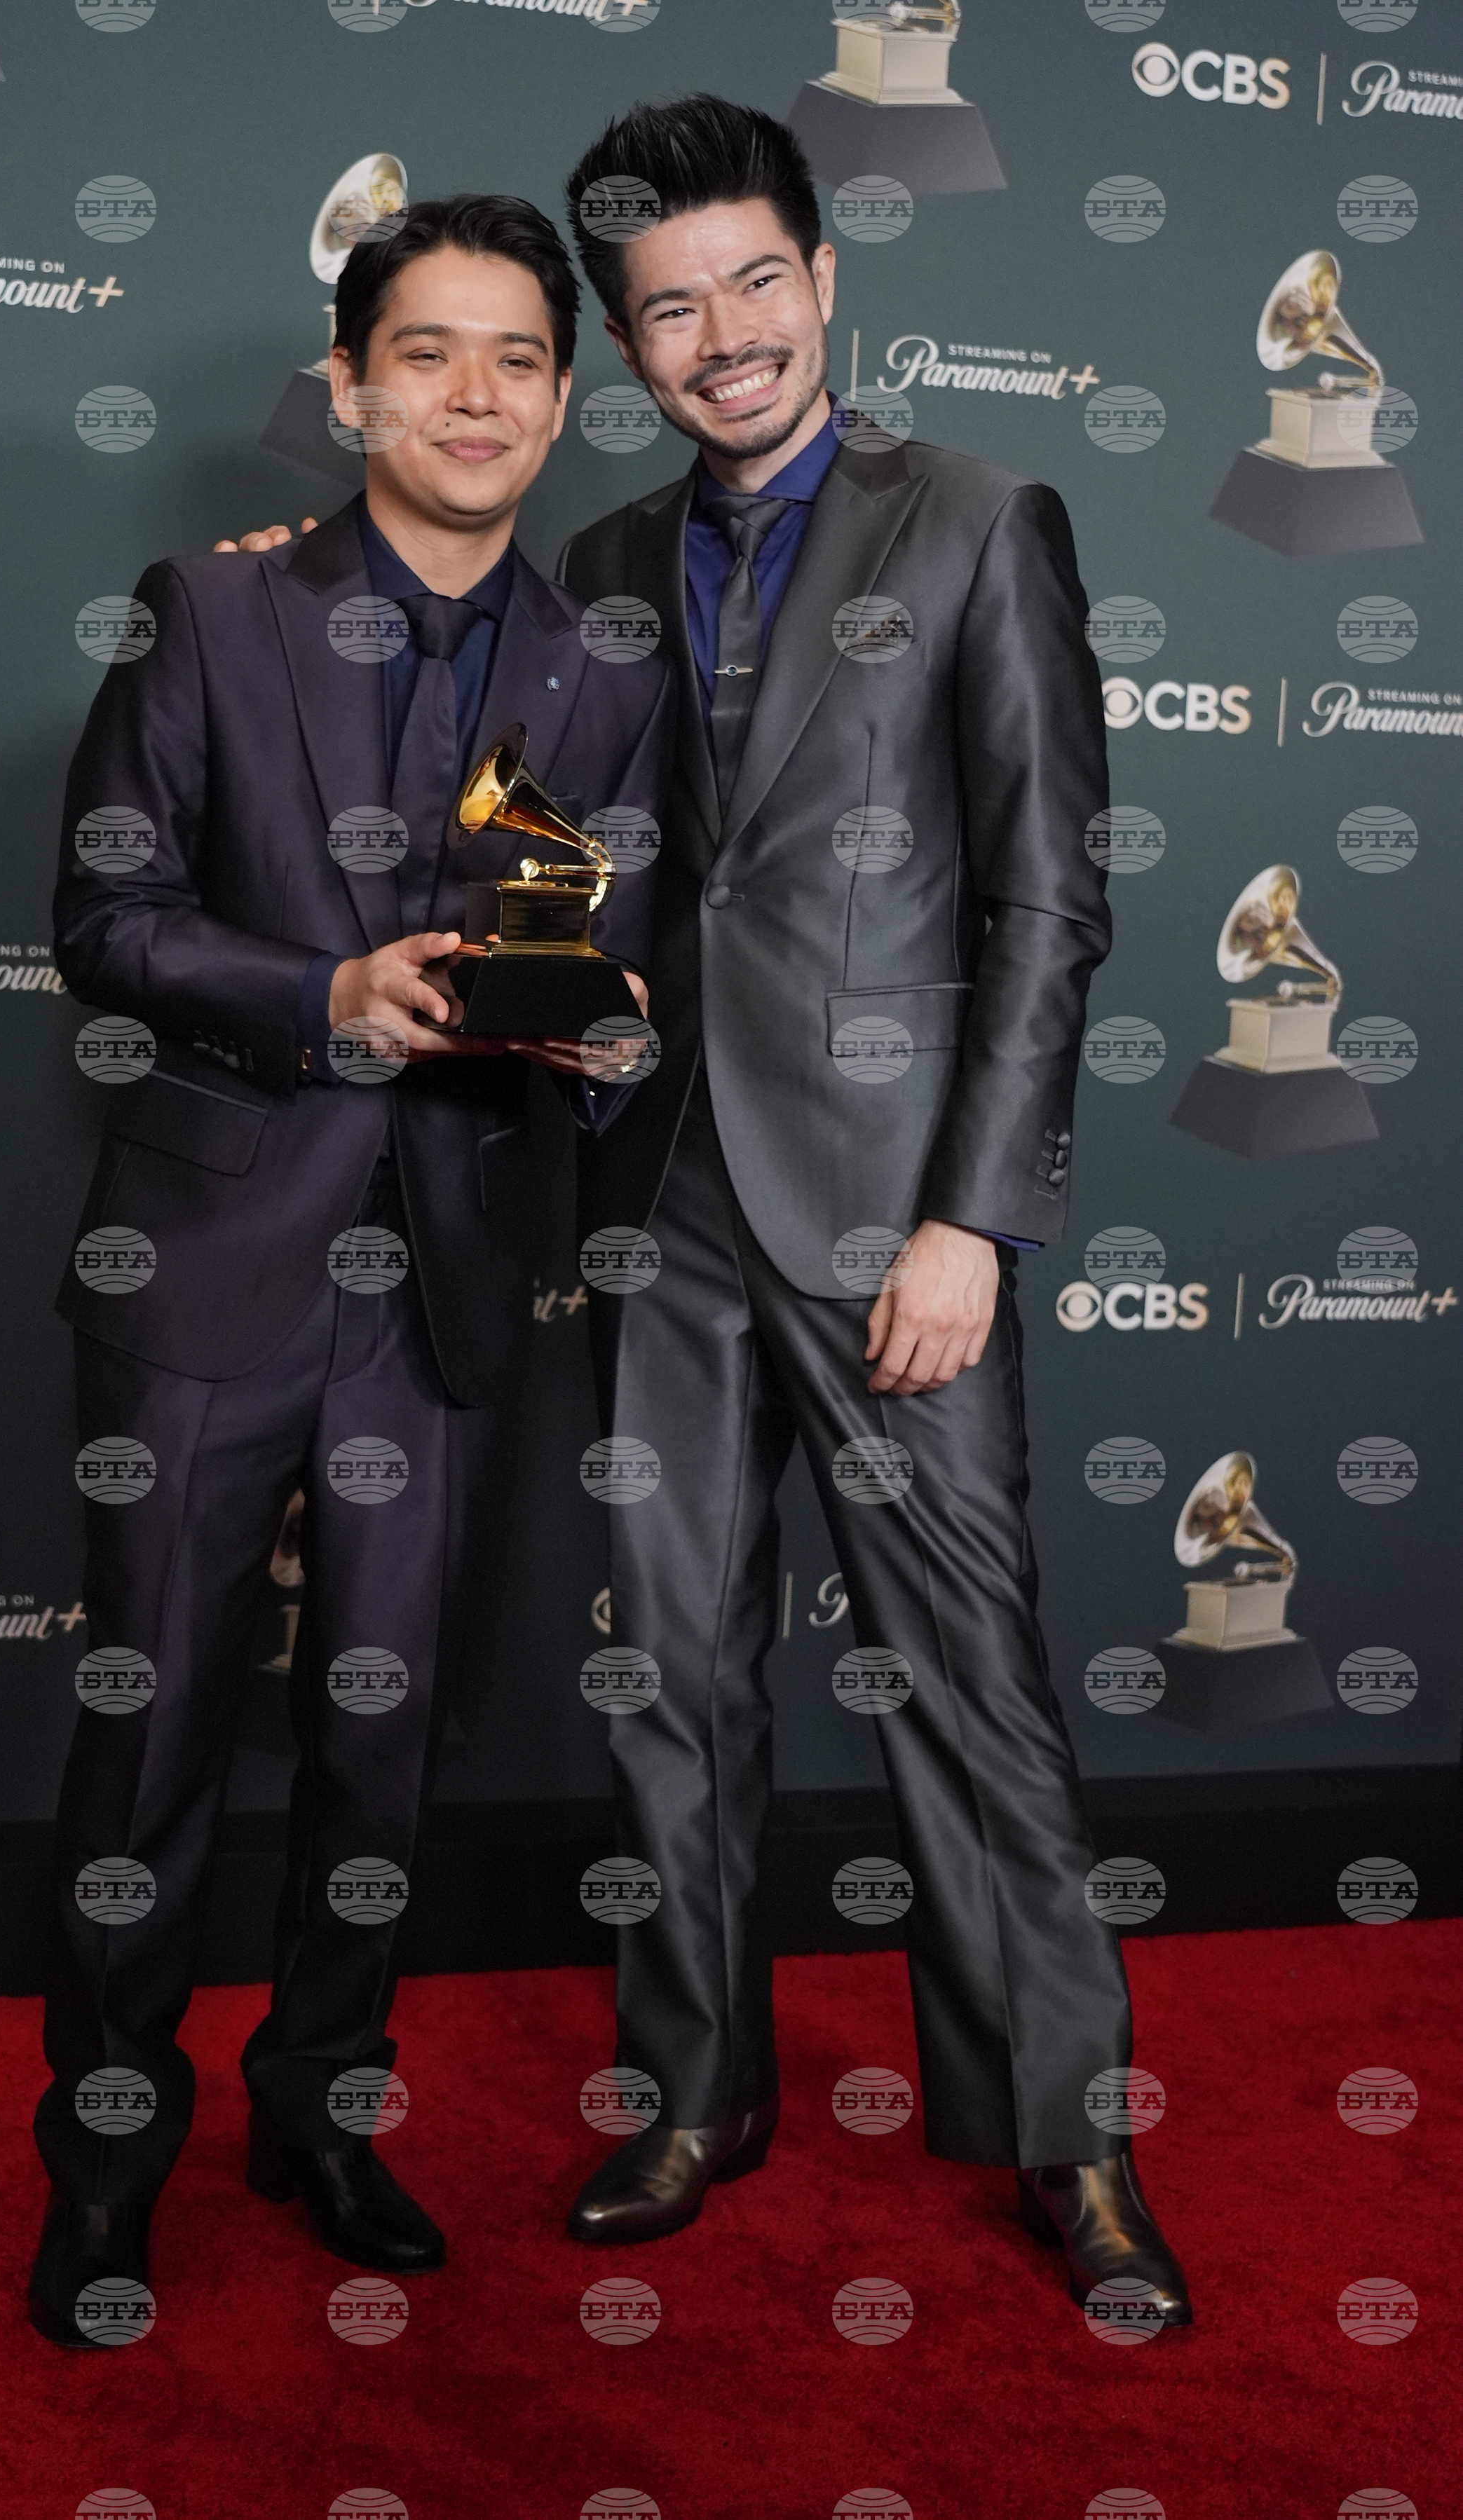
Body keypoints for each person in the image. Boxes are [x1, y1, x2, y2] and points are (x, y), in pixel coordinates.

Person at [549, 96, 1190, 2323]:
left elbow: (1044, 895)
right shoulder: (607, 565)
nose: (716, 335)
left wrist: (972, 1221)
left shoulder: (978, 514)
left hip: (888, 1210)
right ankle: (696, 2082)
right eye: (664, 307)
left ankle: (1064, 2136)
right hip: (658, 1201)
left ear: (821, 280)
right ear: (626, 343)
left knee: (968, 1683)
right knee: (669, 1670)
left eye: (749, 283)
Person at [30, 192, 669, 2348]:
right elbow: (104, 927)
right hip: (213, 1246)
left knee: (380, 1749)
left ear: (561, 403)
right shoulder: (205, 619)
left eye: (515, 360)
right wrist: (324, 991)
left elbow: (595, 938)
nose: (474, 394)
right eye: (428, 353)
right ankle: (107, 2161)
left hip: (454, 1270)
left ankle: (315, 2105)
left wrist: (602, 1032)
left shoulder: (602, 663)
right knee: (154, 1740)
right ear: (349, 385)